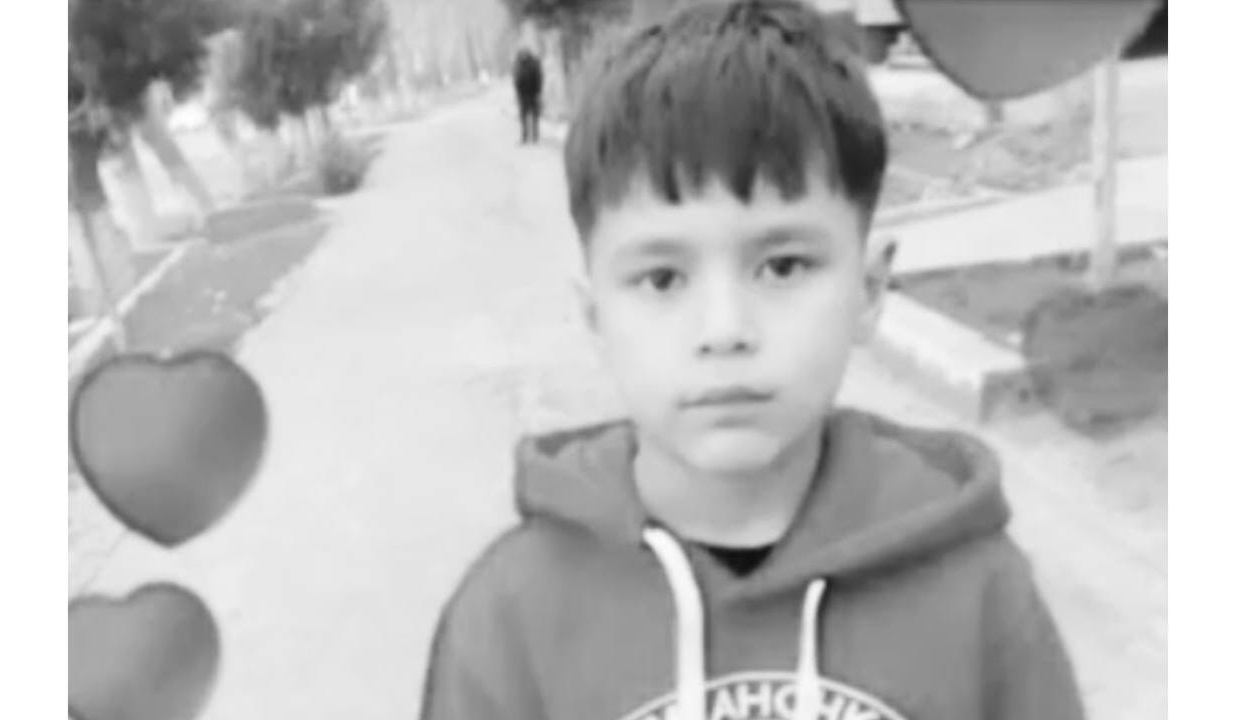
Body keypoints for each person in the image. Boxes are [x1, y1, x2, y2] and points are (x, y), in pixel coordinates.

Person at [421, 2, 1085, 719]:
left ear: (868, 292)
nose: (725, 330)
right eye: (662, 278)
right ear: (596, 317)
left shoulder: (981, 598)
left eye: (782, 266)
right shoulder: (509, 623)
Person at [513, 48, 544, 144]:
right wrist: (518, 95)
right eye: (522, 55)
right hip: (523, 96)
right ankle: (525, 137)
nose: (524, 56)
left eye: (525, 54)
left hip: (533, 94)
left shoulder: (534, 64)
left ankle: (535, 136)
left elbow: (539, 79)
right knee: (523, 117)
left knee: (535, 116)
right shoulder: (519, 65)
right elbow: (516, 81)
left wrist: (538, 93)